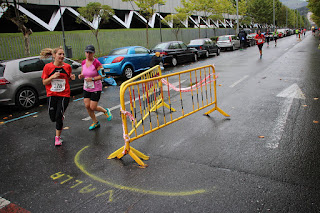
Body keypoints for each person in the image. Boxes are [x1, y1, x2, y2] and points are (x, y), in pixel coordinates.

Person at [40, 47, 76, 146]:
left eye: (63, 54)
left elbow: (68, 78)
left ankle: (57, 138)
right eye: (60, 54)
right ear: (54, 55)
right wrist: (52, 77)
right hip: (52, 94)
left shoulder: (67, 67)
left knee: (58, 117)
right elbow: (44, 82)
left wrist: (72, 77)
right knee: (53, 117)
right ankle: (59, 115)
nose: (62, 56)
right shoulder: (48, 67)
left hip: (64, 94)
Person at [78, 45, 112, 130]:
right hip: (86, 87)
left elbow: (103, 75)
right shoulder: (83, 62)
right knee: (87, 106)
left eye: (90, 52)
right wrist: (81, 76)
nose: (88, 54)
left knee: (93, 107)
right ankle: (95, 122)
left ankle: (105, 111)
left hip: (96, 87)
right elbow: (83, 73)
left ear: (93, 53)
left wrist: (92, 79)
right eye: (87, 52)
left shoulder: (97, 63)